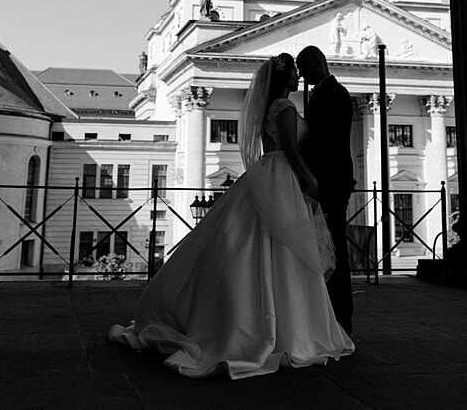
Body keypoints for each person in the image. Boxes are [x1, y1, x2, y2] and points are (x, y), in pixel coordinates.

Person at [108, 54, 353, 377]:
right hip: (285, 176)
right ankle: (288, 326)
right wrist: (309, 179)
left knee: (259, 246)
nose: (299, 77)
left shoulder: (275, 106)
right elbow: (292, 150)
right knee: (282, 250)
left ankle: (260, 320)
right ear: (285, 79)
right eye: (294, 72)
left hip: (271, 174)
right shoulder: (287, 108)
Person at [297, 45, 356, 334]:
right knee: (325, 248)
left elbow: (330, 143)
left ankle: (342, 318)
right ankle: (327, 314)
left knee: (334, 250)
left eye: (305, 70)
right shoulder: (321, 93)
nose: (303, 78)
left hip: (330, 183)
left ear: (319, 63)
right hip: (324, 182)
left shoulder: (335, 94)